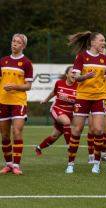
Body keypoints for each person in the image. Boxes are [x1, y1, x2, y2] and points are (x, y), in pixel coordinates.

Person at [65, 31, 106, 174]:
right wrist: (85, 76)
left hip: (99, 98)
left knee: (99, 130)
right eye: (101, 40)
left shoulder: (105, 59)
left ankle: (96, 163)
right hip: (83, 97)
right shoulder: (81, 57)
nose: (104, 43)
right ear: (93, 42)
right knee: (76, 130)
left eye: (104, 41)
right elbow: (76, 78)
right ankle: (70, 163)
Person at [0, 34, 33, 175]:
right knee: (5, 135)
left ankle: (16, 165)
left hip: (18, 102)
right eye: (13, 41)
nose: (14, 44)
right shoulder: (3, 61)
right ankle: (8, 164)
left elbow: (28, 86)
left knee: (17, 132)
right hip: (3, 102)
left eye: (18, 42)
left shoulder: (26, 63)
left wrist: (14, 86)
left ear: (23, 46)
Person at [35, 66, 77, 155]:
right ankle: (69, 146)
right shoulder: (59, 83)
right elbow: (53, 93)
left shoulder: (78, 86)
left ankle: (39, 148)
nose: (74, 74)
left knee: (55, 135)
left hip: (70, 113)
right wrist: (45, 100)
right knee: (66, 122)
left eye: (75, 73)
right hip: (57, 109)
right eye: (72, 72)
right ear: (67, 74)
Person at [86, 48, 106, 164]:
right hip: (91, 99)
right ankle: (91, 155)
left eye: (104, 52)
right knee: (93, 129)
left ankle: (102, 153)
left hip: (104, 100)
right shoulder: (90, 64)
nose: (102, 53)